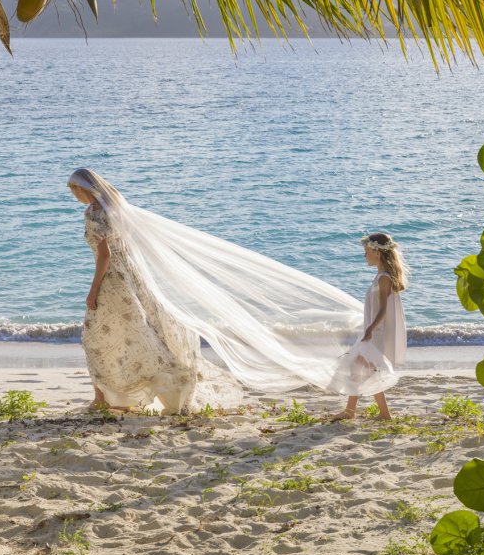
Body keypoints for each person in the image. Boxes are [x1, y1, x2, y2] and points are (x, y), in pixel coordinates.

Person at [67, 168, 405, 415]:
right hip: (132, 281)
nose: (75, 196)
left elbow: (105, 256)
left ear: (85, 190)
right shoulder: (115, 211)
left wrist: (93, 288)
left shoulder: (95, 215)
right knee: (134, 335)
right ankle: (119, 394)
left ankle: (105, 397)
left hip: (113, 282)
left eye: (75, 191)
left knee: (97, 335)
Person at [330, 233, 408, 421]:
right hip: (374, 331)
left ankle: (378, 413)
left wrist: (370, 329)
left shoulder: (384, 278)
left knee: (366, 369)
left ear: (377, 253)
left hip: (376, 333)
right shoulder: (381, 277)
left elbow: (382, 310)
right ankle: (358, 411)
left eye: (366, 252)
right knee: (359, 369)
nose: (364, 256)